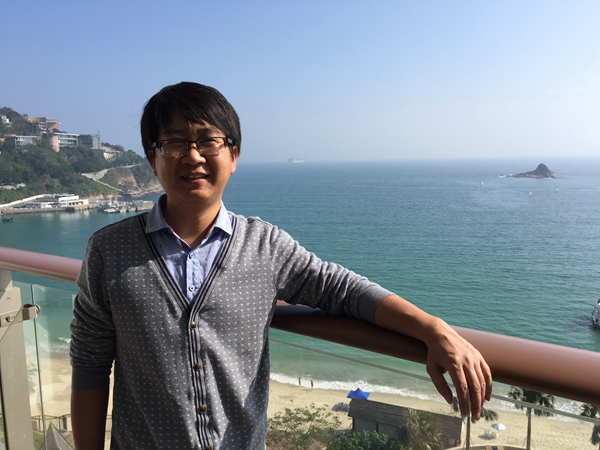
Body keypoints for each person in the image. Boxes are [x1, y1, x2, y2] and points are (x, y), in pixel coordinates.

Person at [70, 82, 492, 450]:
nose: (193, 155)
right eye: (175, 142)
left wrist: (432, 329)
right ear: (153, 158)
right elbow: (90, 367)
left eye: (208, 140)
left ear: (233, 155)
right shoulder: (109, 250)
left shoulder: (265, 247)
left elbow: (341, 289)